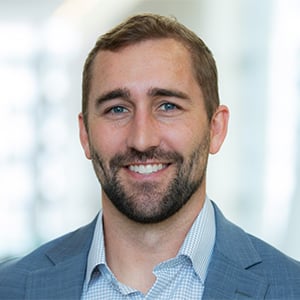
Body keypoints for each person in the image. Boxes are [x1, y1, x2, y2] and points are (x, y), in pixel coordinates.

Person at [0, 13, 299, 300]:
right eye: (117, 109)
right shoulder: (10, 288)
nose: (142, 140)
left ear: (216, 128)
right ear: (85, 135)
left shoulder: (291, 289)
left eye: (168, 106)